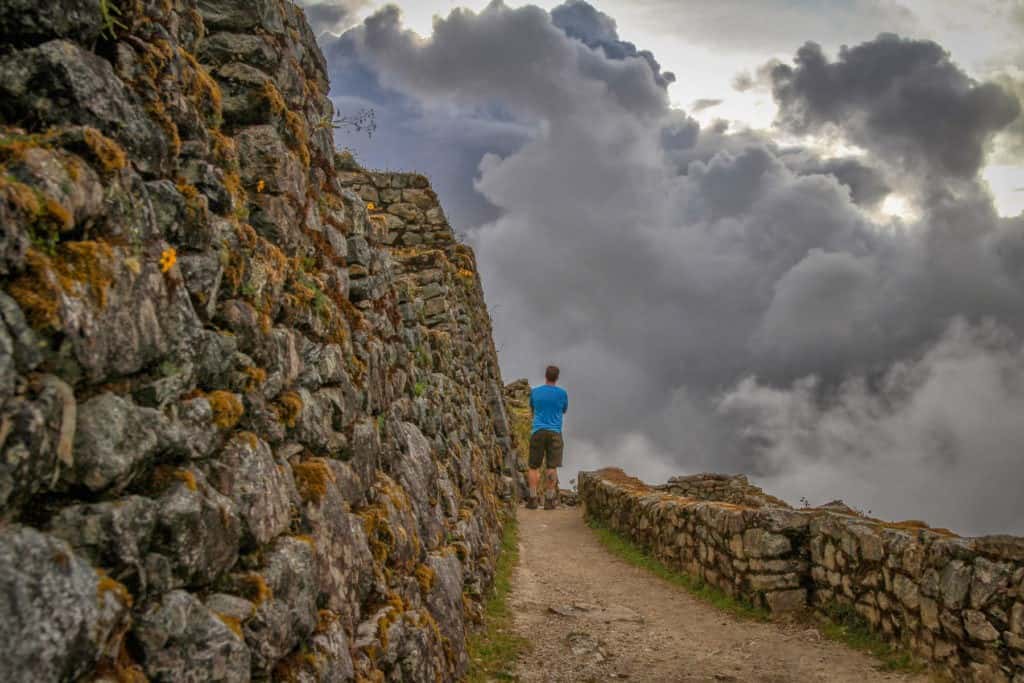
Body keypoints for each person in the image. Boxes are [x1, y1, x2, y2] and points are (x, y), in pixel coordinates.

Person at [527, 365, 568, 510]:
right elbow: (564, 409)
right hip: (555, 432)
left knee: (533, 466)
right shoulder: (562, 394)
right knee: (551, 467)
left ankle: (532, 499)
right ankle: (549, 500)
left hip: (538, 431)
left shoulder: (535, 392)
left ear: (545, 375)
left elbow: (532, 408)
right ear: (557, 377)